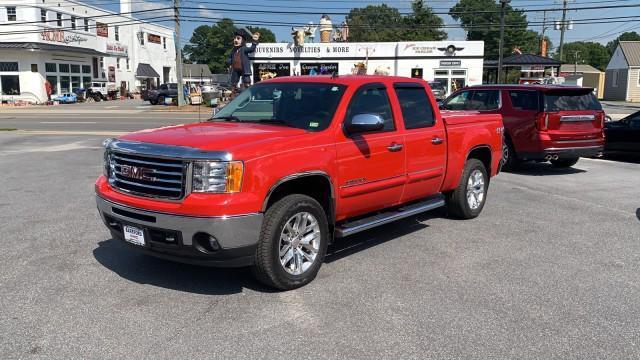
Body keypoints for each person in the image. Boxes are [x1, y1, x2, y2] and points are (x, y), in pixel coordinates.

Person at [228, 30, 260, 95]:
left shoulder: (244, 49)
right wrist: (230, 63)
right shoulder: (233, 50)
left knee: (246, 82)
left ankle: (247, 94)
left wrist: (254, 41)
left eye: (238, 38)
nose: (235, 40)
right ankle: (233, 94)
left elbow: (252, 49)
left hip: (244, 69)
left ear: (242, 40)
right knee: (234, 83)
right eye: (235, 38)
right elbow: (230, 57)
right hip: (235, 70)